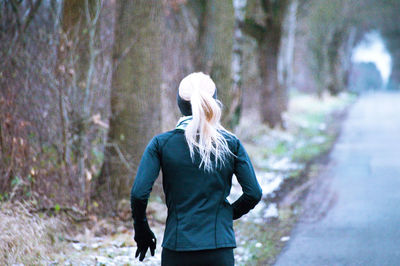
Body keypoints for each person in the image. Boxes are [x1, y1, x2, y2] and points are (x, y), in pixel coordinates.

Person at [130, 72, 263, 265]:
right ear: (213, 101)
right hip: (219, 248)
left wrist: (141, 230)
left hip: (177, 248)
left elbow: (139, 194)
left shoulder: (161, 144)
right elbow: (253, 193)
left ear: (180, 104)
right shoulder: (230, 144)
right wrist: (225, 215)